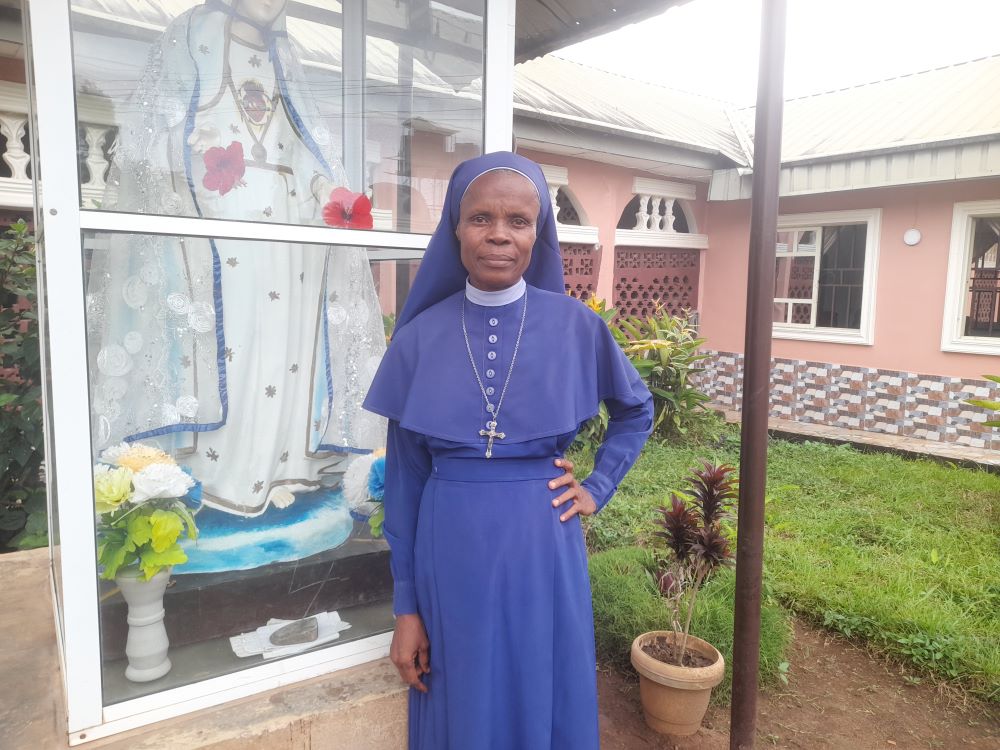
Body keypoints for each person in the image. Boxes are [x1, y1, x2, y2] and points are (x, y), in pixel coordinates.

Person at [363, 151, 654, 749]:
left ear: (539, 232)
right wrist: (405, 610)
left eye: (519, 221)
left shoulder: (578, 327)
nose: (499, 234)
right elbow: (407, 482)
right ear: (455, 227)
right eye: (481, 218)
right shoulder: (418, 339)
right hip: (451, 551)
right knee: (460, 698)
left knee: (542, 690)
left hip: (543, 544)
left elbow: (636, 409)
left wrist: (596, 488)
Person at [86, 0, 385, 516]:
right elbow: (153, 142)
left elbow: (299, 145)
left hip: (290, 239)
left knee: (285, 347)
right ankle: (224, 475)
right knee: (236, 347)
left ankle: (282, 465)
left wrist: (327, 188)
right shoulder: (194, 36)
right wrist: (189, 148)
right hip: (224, 228)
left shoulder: (282, 57)